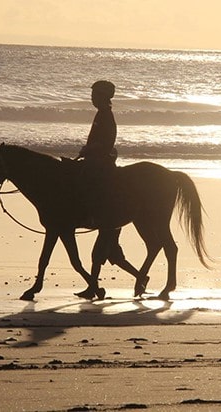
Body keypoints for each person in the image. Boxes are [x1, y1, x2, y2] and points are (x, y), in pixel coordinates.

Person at [74, 80, 147, 299]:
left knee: (101, 252)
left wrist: (90, 149)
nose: (92, 98)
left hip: (101, 164)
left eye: (95, 94)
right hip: (96, 161)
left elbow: (106, 144)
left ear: (104, 97)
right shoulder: (101, 114)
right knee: (114, 254)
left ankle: (93, 288)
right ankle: (139, 277)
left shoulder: (106, 116)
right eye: (92, 94)